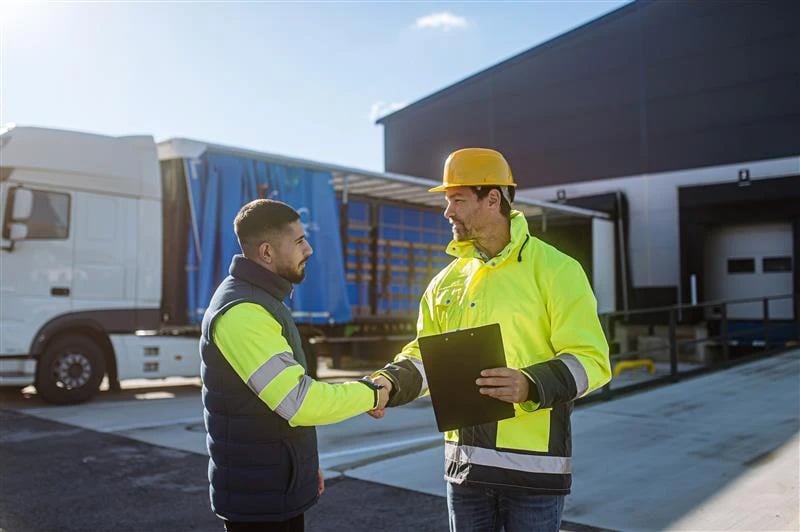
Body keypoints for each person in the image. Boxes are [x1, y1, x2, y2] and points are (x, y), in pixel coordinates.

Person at [370, 148, 612, 531]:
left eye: (458, 200)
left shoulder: (557, 270)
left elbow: (591, 361)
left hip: (533, 472)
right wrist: (390, 382)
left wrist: (530, 384)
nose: (447, 212)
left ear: (493, 199)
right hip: (466, 468)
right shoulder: (444, 283)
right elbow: (427, 356)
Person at [200, 199, 388, 532]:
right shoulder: (243, 311)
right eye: (299, 241)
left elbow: (277, 402)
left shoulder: (262, 299)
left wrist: (303, 468)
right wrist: (371, 393)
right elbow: (299, 402)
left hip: (274, 489)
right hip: (258, 504)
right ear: (267, 252)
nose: (309, 249)